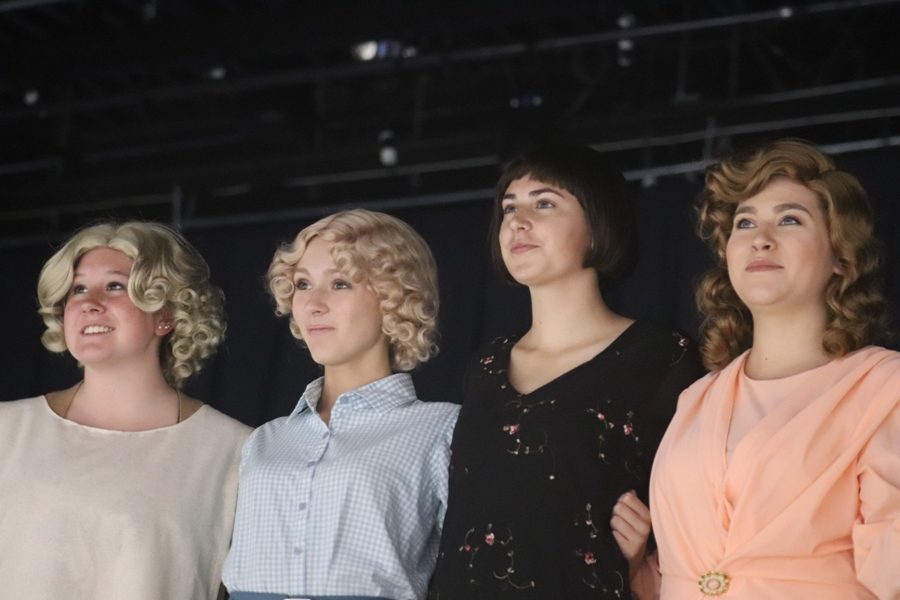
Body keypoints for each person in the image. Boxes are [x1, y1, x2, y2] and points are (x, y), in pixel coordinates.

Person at [619, 139, 900, 599]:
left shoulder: (885, 389)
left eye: (790, 219)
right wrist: (635, 568)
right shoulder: (697, 399)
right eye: (745, 223)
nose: (760, 238)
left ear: (841, 257)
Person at [428, 145, 705, 600]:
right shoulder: (486, 365)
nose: (517, 221)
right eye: (509, 208)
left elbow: (693, 511)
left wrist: (645, 558)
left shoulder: (661, 357)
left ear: (598, 225)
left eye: (544, 204)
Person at [0, 221, 251, 600]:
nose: (88, 302)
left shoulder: (234, 450)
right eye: (78, 288)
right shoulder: (8, 430)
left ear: (165, 314)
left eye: (115, 286)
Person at [222, 209, 460, 600]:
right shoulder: (265, 440)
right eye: (302, 284)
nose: (314, 304)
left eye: (339, 283)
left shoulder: (442, 429)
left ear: (393, 297)